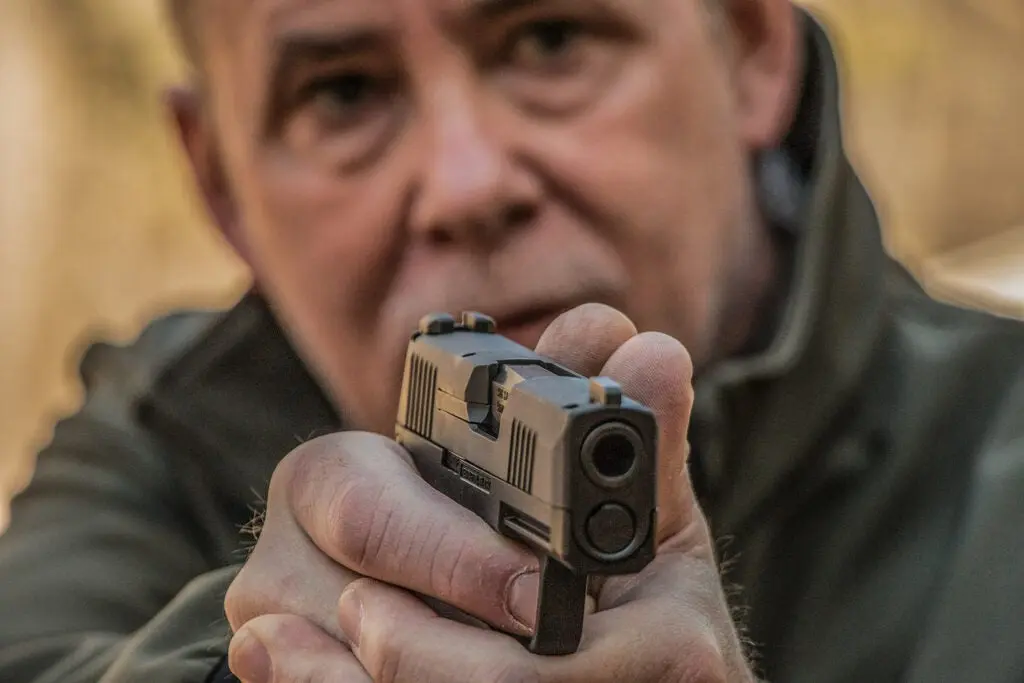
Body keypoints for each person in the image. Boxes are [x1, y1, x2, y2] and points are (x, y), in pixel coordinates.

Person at [1, 0, 1022, 681]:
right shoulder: (160, 432)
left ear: (752, 45)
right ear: (220, 182)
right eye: (342, 93)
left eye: (550, 39)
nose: (466, 180)